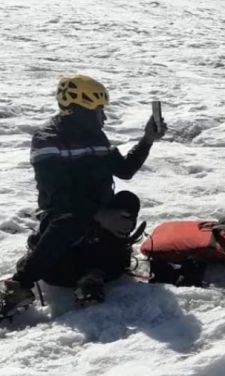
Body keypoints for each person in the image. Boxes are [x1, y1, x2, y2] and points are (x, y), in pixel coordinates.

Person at [0, 74, 165, 317]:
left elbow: (125, 170)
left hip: (97, 222)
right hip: (63, 226)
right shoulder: (47, 139)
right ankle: (20, 285)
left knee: (128, 200)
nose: (103, 117)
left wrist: (148, 140)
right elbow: (58, 197)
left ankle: (94, 272)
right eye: (98, 110)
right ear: (80, 111)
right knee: (71, 219)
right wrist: (100, 216)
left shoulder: (96, 136)